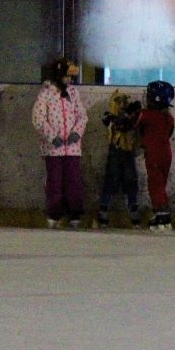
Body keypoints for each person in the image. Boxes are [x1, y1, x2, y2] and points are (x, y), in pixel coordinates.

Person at [31, 56, 88, 229]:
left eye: (71, 77)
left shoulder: (73, 93)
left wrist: (76, 132)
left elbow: (82, 116)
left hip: (72, 148)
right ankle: (54, 214)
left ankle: (74, 213)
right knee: (54, 182)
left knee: (74, 181)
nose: (69, 80)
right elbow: (38, 118)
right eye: (66, 76)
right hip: (53, 148)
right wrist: (51, 136)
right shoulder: (46, 93)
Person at [97, 89, 142, 229]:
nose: (121, 105)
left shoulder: (132, 119)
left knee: (131, 181)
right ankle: (103, 212)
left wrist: (131, 115)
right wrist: (127, 115)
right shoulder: (108, 117)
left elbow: (130, 125)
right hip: (115, 152)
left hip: (128, 153)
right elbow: (117, 124)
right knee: (110, 180)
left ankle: (134, 213)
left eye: (124, 103)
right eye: (118, 102)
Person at [137, 80, 175, 231]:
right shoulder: (169, 117)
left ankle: (161, 214)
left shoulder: (147, 115)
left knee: (155, 184)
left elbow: (131, 122)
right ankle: (163, 213)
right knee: (161, 184)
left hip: (154, 154)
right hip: (166, 153)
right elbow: (168, 133)